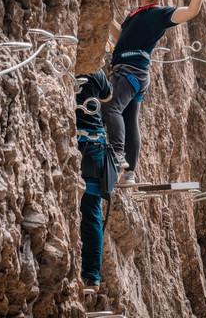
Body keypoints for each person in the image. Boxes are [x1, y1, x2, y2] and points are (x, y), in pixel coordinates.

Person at [103, 0, 206, 184]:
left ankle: (118, 154)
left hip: (131, 70)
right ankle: (129, 172)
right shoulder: (134, 15)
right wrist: (104, 21)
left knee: (111, 107)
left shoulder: (159, 14)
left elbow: (190, 12)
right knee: (129, 120)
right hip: (133, 72)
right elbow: (121, 37)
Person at [75, 69, 113, 289]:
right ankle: (91, 276)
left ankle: (88, 272)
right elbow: (108, 96)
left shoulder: (67, 64)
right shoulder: (96, 74)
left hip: (76, 143)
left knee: (82, 209)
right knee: (91, 213)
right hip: (95, 147)